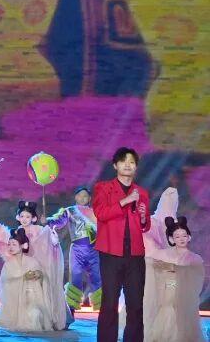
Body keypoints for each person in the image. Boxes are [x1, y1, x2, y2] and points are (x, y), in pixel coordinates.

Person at [93, 146, 151, 342]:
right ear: (115, 165)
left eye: (132, 162)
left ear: (136, 167)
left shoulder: (141, 192)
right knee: (110, 302)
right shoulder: (103, 188)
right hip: (111, 253)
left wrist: (143, 217)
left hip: (135, 255)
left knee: (135, 303)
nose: (128, 165)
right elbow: (101, 213)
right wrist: (124, 201)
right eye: (124, 161)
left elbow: (145, 226)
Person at [0, 202, 70, 330]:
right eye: (22, 216)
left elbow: (48, 243)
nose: (24, 219)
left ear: (34, 218)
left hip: (40, 264)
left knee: (44, 290)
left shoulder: (40, 229)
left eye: (28, 217)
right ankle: (24, 316)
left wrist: (52, 239)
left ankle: (48, 318)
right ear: (18, 217)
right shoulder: (17, 231)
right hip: (24, 265)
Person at [140, 188, 206, 342]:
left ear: (189, 237)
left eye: (184, 236)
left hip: (185, 294)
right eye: (177, 236)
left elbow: (197, 278)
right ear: (171, 239)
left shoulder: (194, 258)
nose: (181, 239)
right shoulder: (163, 253)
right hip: (168, 291)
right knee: (167, 305)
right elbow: (152, 262)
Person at [48, 186, 102, 312]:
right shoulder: (69, 211)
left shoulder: (95, 212)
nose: (82, 198)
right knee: (75, 276)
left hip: (94, 250)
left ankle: (102, 307)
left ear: (89, 198)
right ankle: (71, 307)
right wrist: (48, 221)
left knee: (97, 276)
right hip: (77, 250)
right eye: (80, 195)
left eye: (85, 196)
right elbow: (58, 222)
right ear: (76, 197)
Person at [0, 228, 51, 332]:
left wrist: (38, 275)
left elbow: (42, 277)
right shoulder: (8, 264)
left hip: (30, 300)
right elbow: (5, 282)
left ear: (23, 245)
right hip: (13, 303)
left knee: (35, 315)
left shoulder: (32, 261)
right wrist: (23, 278)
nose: (10, 247)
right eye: (9, 244)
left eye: (14, 244)